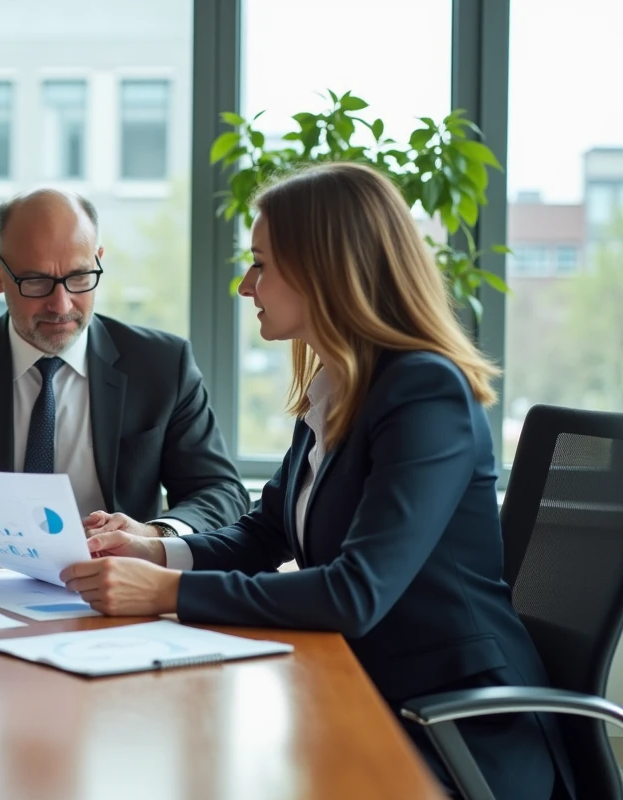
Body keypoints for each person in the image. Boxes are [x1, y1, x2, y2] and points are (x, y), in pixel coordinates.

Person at [58, 163, 573, 799]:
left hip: (454, 725)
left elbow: (355, 593)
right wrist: (154, 551)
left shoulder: (424, 393)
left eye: (261, 265)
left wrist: (168, 591)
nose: (246, 286)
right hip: (362, 688)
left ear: (325, 270)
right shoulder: (337, 388)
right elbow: (266, 532)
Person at [0, 188, 248, 574]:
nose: (61, 304)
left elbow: (220, 492)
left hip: (121, 591)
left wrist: (155, 535)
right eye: (36, 281)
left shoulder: (161, 365)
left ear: (99, 260)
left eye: (79, 277)